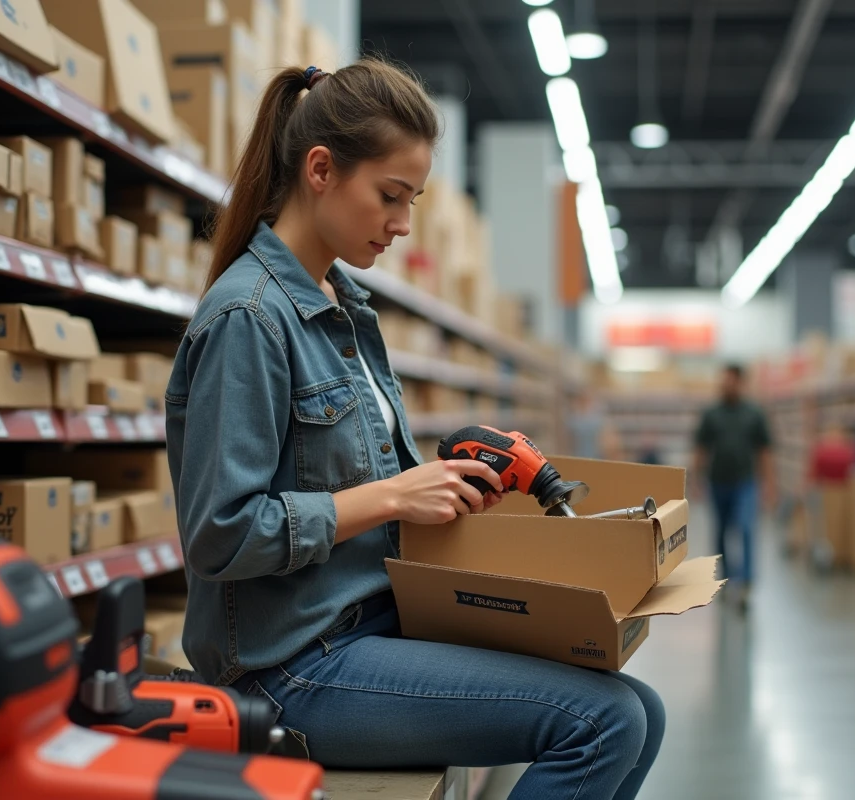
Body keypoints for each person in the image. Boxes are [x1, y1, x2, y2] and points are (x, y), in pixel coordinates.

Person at [164, 61, 663, 799]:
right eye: (390, 197)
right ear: (321, 170)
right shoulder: (250, 318)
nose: (402, 224)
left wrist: (442, 495)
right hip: (290, 666)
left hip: (372, 625)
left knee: (640, 708)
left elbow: (353, 482)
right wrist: (396, 496)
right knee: (604, 721)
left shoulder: (348, 311)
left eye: (414, 200)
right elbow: (221, 534)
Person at [693, 364, 774, 610]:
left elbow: (764, 451)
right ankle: (727, 579)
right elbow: (701, 449)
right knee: (721, 531)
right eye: (723, 381)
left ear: (740, 383)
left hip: (745, 482)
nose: (725, 385)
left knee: (746, 527)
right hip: (718, 482)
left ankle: (746, 582)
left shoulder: (754, 413)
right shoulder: (711, 414)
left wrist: (770, 484)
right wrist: (696, 479)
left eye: (730, 381)